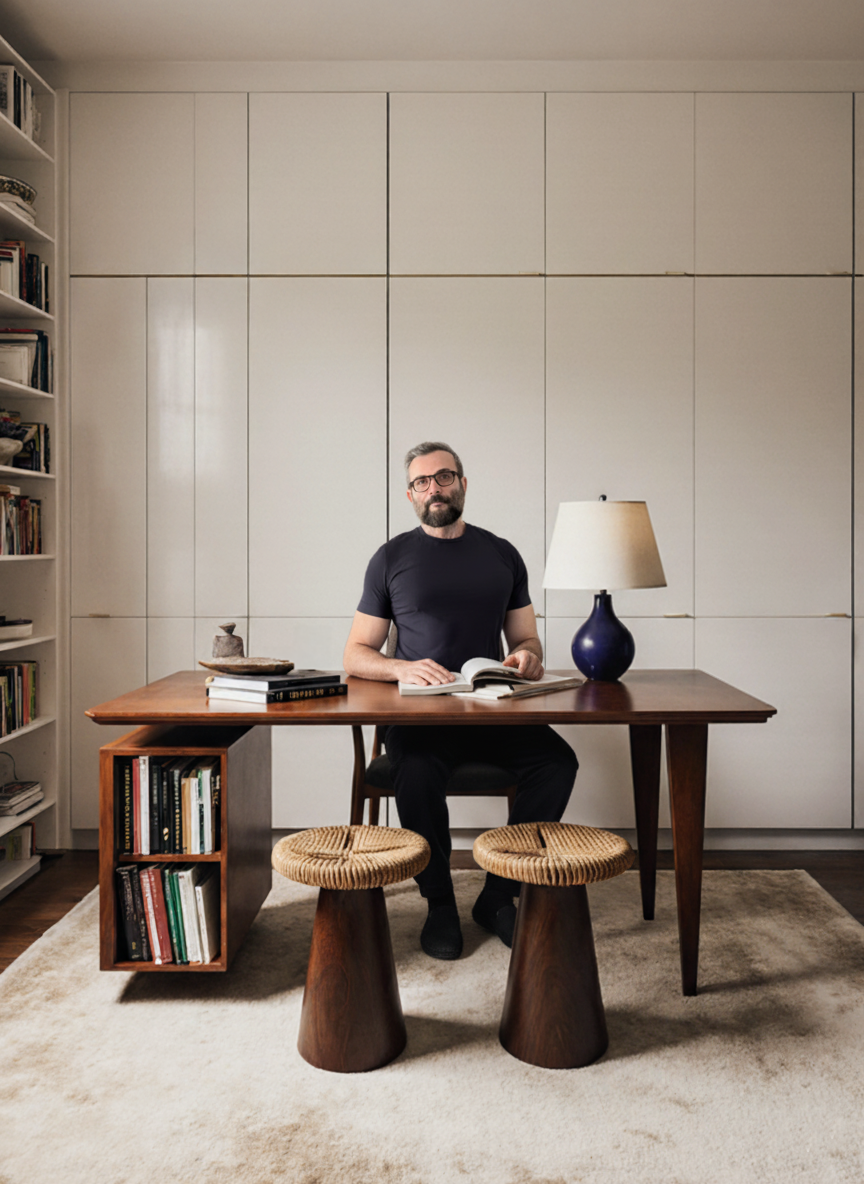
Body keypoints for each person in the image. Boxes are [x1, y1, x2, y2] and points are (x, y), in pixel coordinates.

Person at [343, 442, 578, 960]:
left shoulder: (501, 553)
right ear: (410, 495)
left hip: (493, 711)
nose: (434, 489)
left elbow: (527, 641)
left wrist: (527, 658)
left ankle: (497, 897)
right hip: (421, 717)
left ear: (463, 484)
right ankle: (440, 903)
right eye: (422, 482)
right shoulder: (390, 558)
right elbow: (356, 654)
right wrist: (401, 666)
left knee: (559, 762)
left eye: (444, 478)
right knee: (418, 771)